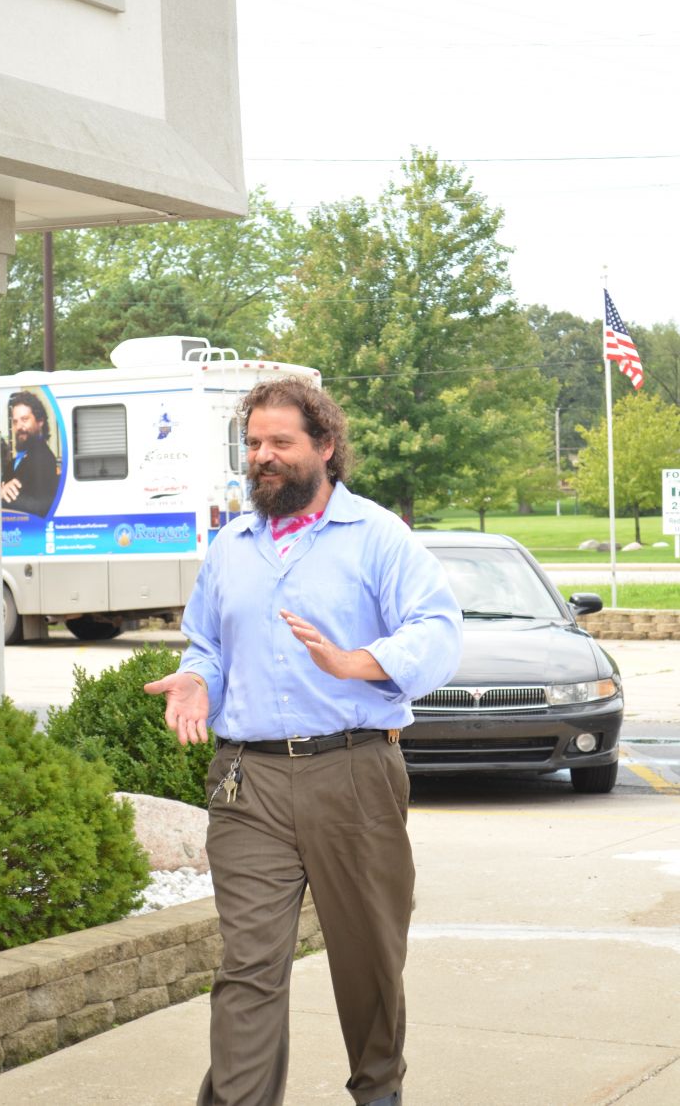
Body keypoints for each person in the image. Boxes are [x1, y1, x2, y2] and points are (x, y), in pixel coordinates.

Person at [145, 376, 462, 1106]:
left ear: (324, 446)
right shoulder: (232, 544)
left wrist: (361, 661)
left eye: (280, 442)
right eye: (253, 443)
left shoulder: (376, 535)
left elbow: (438, 628)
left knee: (368, 963)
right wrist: (198, 678)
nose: (263, 456)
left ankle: (378, 1092)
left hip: (354, 772)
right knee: (248, 968)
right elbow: (207, 645)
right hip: (248, 783)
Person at [1, 391, 58, 518]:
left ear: (40, 421)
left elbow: (42, 506)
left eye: (25, 419)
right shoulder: (16, 461)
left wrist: (2, 496)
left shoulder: (44, 458)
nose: (19, 426)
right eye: (15, 422)